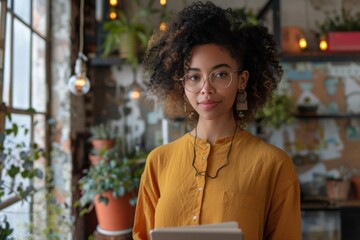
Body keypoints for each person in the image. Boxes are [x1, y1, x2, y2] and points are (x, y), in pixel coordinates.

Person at [133, 1, 301, 240]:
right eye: (194, 77)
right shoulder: (159, 162)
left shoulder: (273, 165)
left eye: (220, 75)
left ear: (242, 80)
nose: (206, 89)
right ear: (181, 83)